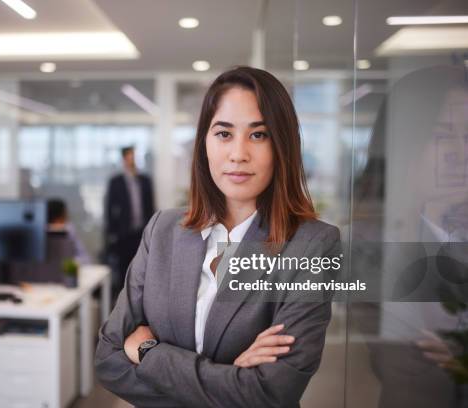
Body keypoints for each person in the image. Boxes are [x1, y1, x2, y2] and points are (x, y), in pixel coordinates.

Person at [94, 66, 341, 407]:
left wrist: (149, 352)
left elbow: (271, 393)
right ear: (204, 144)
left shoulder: (312, 245)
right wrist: (231, 382)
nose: (238, 153)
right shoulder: (162, 230)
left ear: (282, 145)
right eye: (224, 134)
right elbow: (108, 360)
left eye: (258, 135)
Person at [104, 146, 155, 298]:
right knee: (123, 269)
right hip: (123, 233)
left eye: (134, 156)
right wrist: (111, 233)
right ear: (124, 159)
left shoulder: (145, 180)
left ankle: (140, 300)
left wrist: (152, 230)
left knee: (142, 268)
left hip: (141, 232)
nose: (132, 159)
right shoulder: (116, 182)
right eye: (129, 156)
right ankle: (123, 303)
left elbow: (150, 206)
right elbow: (109, 209)